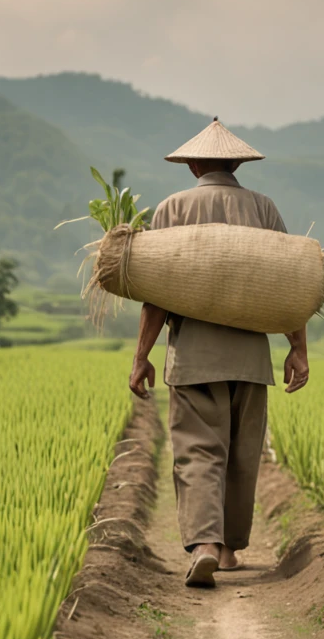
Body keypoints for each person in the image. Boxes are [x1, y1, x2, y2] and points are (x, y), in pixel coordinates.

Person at [128, 118, 310, 588]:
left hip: (194, 359)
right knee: (240, 455)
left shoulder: (171, 209)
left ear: (191, 164)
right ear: (235, 163)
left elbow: (155, 295)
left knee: (198, 453)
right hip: (251, 359)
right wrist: (297, 350)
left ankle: (205, 544)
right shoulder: (263, 209)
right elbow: (288, 285)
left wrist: (141, 356)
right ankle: (227, 550)